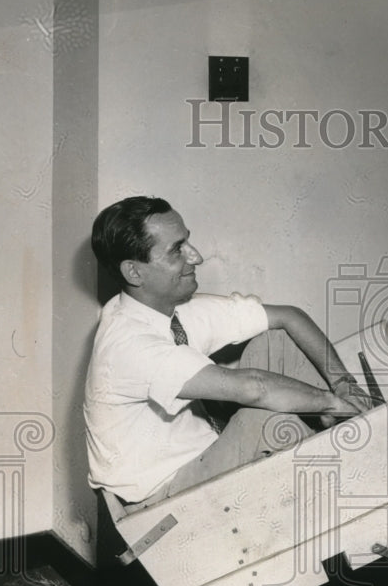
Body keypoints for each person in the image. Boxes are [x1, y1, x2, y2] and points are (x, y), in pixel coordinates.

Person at [84, 196, 372, 506]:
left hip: (202, 450)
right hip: (162, 496)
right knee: (264, 424)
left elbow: (288, 316)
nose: (196, 257)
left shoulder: (165, 309)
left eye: (187, 242)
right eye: (176, 250)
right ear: (134, 273)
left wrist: (345, 384)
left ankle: (347, 447)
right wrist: (331, 404)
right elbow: (254, 388)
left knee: (274, 339)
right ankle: (356, 478)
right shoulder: (128, 344)